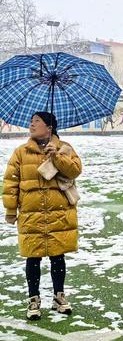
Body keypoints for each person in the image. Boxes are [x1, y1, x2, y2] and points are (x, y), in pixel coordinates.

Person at [2, 112, 82, 320]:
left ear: (49, 127)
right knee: (33, 258)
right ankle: (33, 299)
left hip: (59, 214)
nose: (32, 125)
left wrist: (56, 156)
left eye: (37, 122)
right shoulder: (21, 153)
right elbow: (11, 182)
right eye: (31, 122)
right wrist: (11, 209)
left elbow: (75, 171)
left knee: (58, 256)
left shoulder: (64, 148)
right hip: (32, 214)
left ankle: (59, 296)